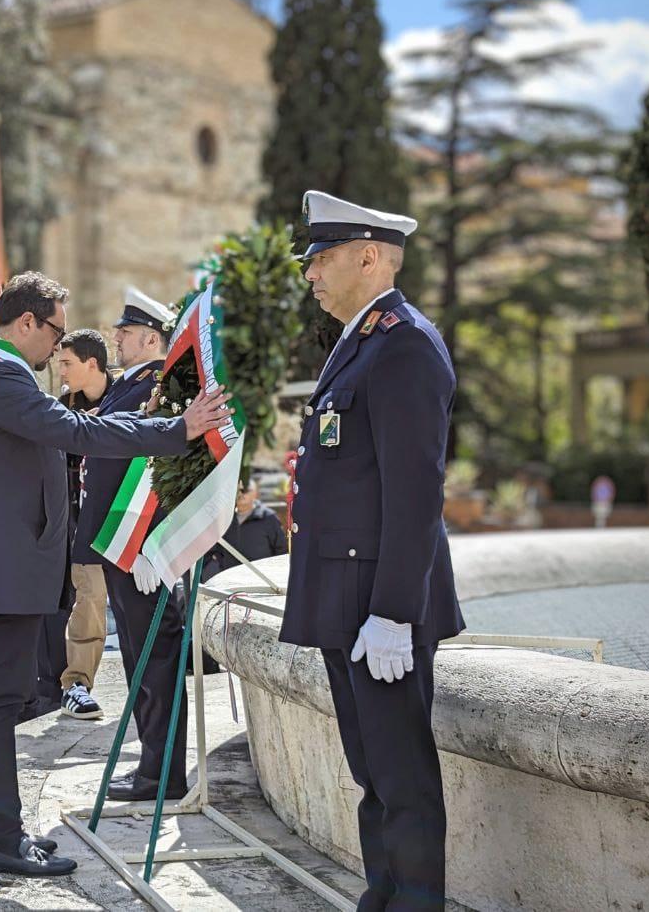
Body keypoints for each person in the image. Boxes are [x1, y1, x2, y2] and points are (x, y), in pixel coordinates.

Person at [0, 271, 233, 877]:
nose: (57, 346)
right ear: (27, 323)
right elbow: (76, 430)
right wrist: (178, 430)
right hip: (7, 562)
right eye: (55, 331)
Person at [280, 191, 465, 912]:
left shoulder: (405, 343)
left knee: (402, 774)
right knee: (372, 772)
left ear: (368, 256)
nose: (311, 275)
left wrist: (392, 613)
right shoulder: (363, 343)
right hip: (347, 595)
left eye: (321, 259)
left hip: (380, 601)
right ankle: (382, 894)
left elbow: (416, 491)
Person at [72, 286, 191, 803]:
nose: (115, 339)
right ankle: (151, 767)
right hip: (119, 546)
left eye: (124, 333)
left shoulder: (161, 389)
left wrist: (154, 544)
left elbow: (163, 472)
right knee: (142, 661)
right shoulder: (131, 385)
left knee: (155, 661)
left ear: (150, 338)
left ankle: (161, 774)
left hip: (140, 550)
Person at [55, 329, 113, 720]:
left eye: (66, 363)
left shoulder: (127, 398)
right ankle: (76, 684)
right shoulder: (61, 408)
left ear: (91, 364)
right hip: (84, 527)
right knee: (89, 603)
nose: (59, 371)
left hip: (130, 522)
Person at [200, 477, 287, 582]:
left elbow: (281, 550)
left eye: (245, 490)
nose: (241, 494)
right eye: (238, 491)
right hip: (229, 582)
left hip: (262, 582)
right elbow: (213, 550)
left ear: (255, 494)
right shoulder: (224, 519)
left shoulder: (268, 517)